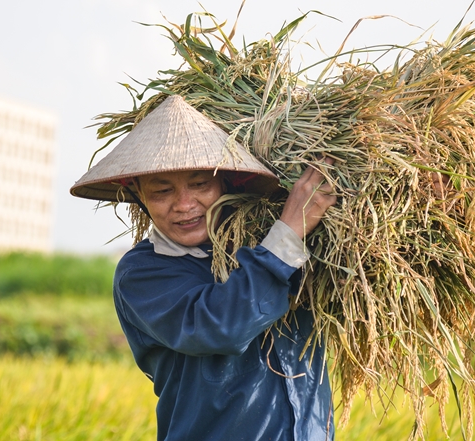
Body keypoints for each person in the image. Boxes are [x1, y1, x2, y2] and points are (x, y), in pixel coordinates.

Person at [70, 94, 337, 440]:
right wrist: (289, 232)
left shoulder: (268, 244)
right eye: (162, 190)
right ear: (136, 192)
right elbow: (222, 325)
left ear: (225, 181)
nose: (185, 205)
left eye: (200, 184)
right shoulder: (143, 274)